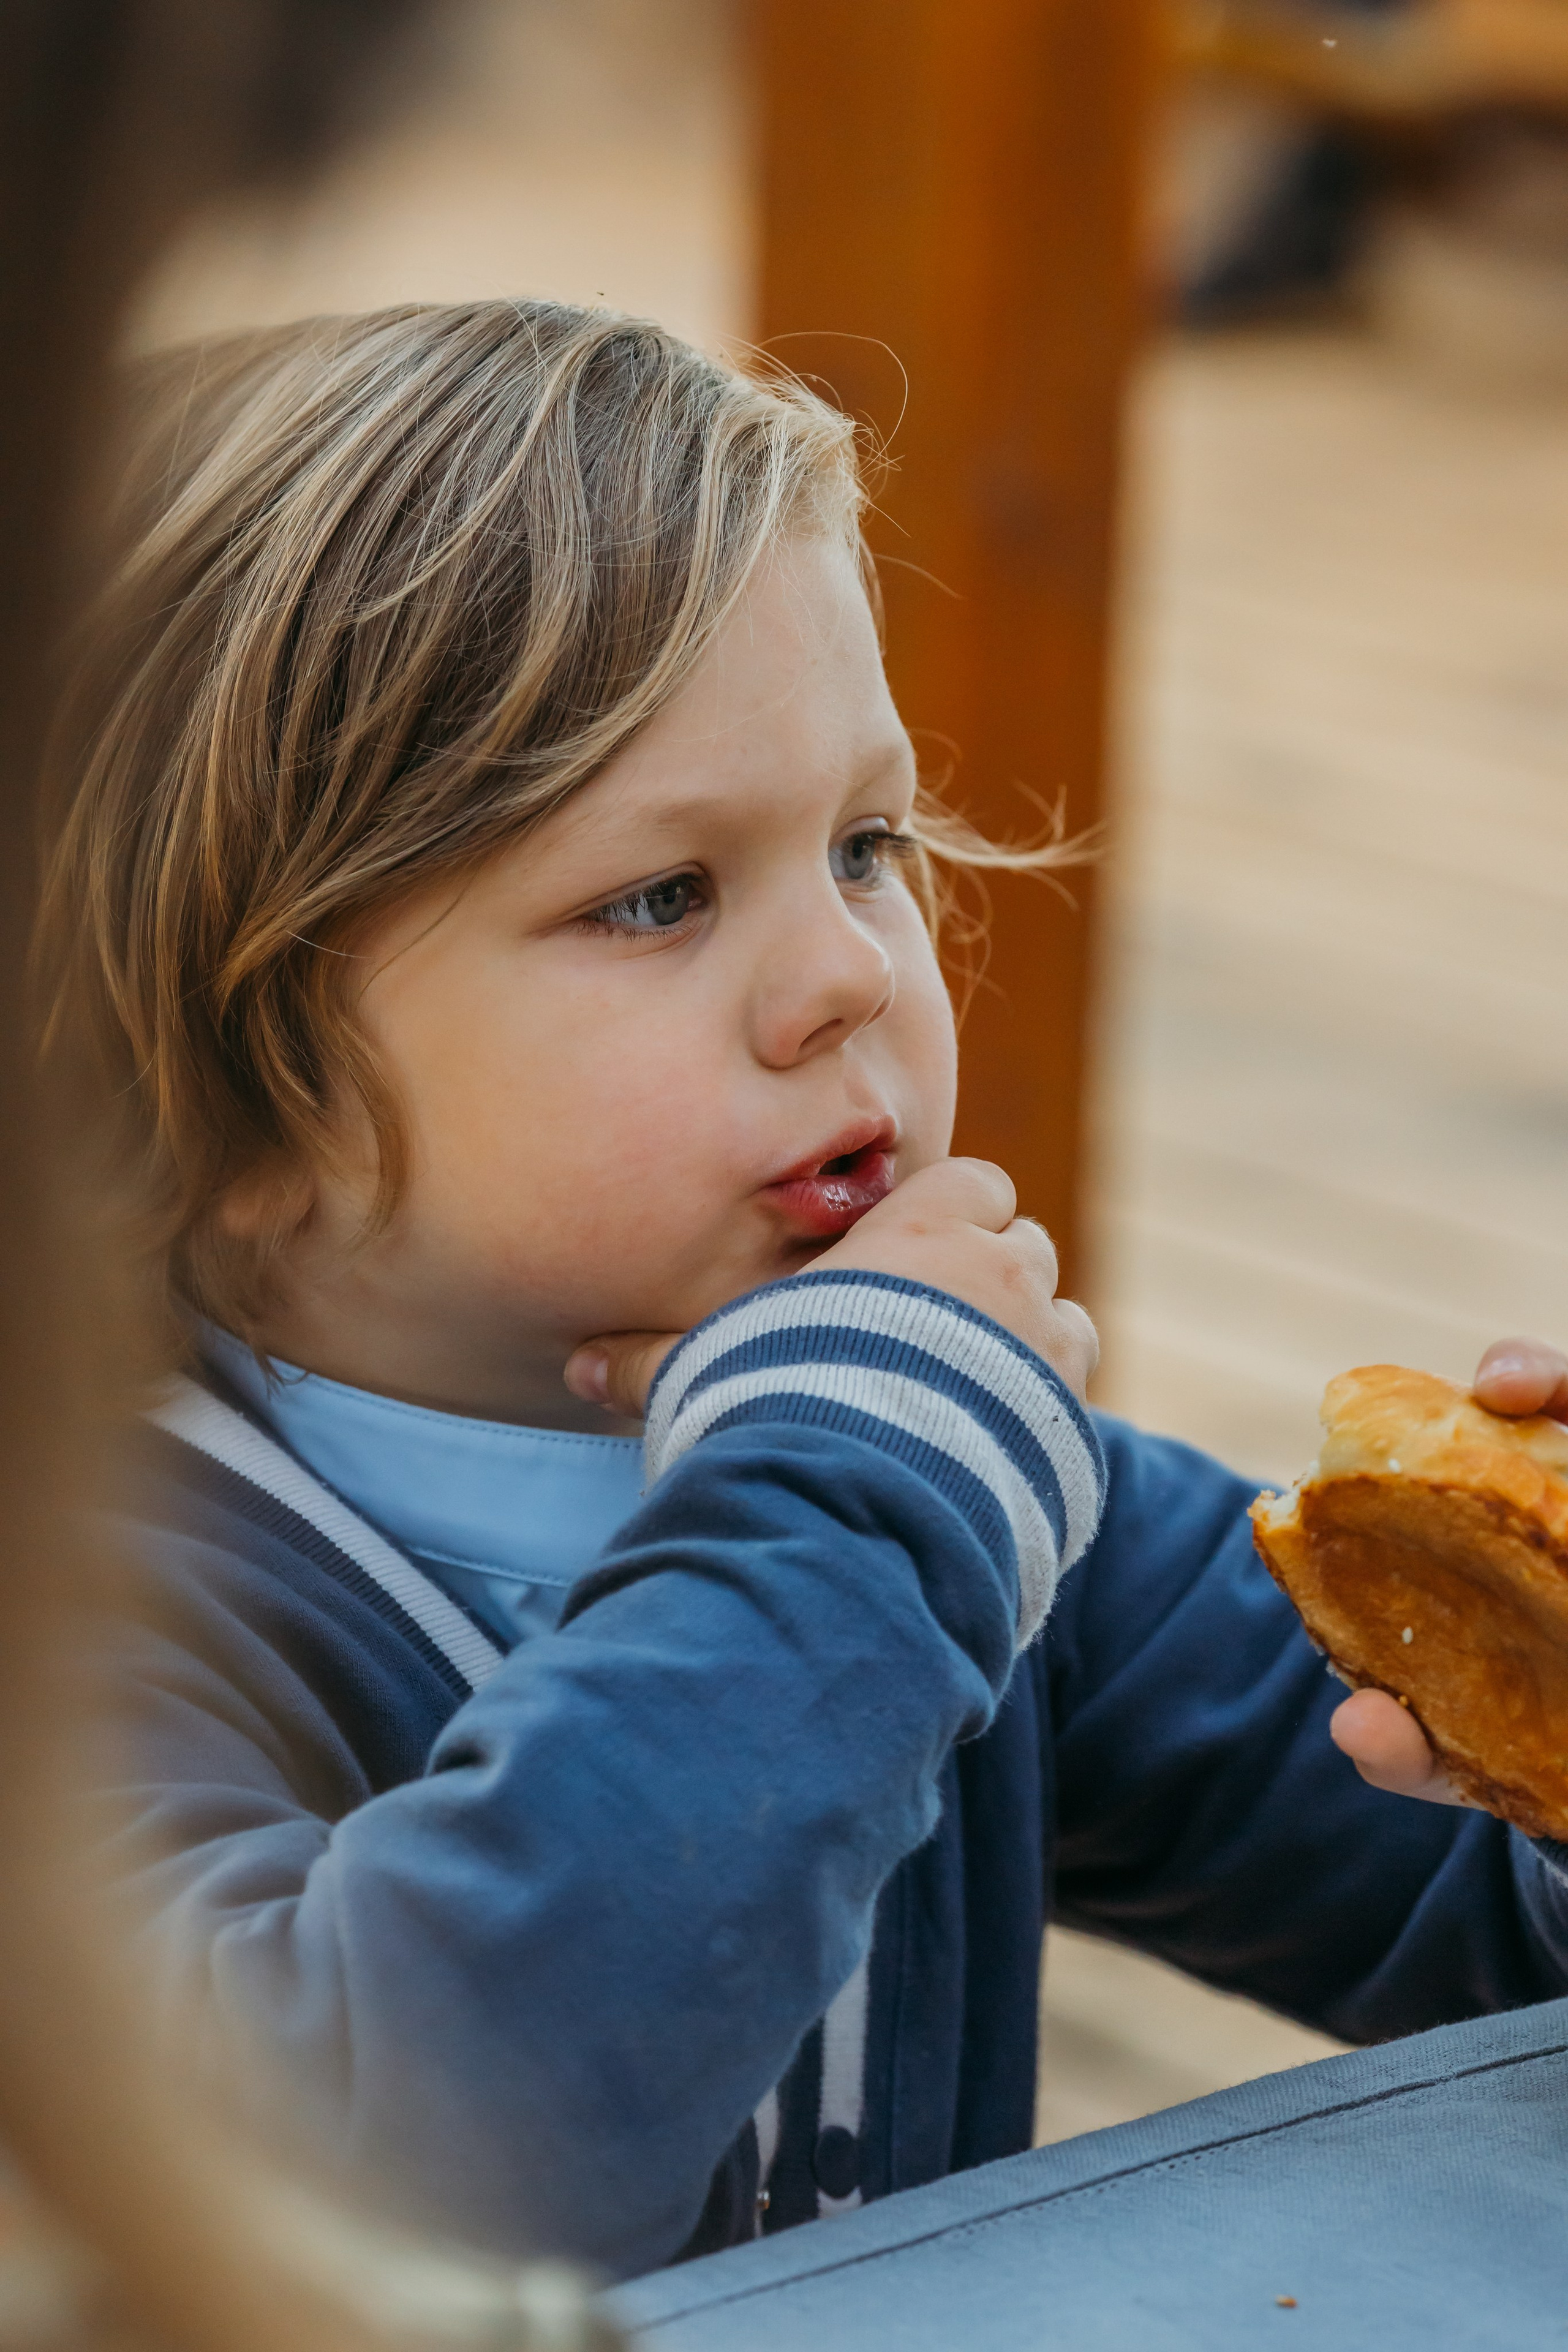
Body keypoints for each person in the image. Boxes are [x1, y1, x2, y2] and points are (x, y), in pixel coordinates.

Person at [40, 300, 1568, 2282]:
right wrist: (866, 1490)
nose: (854, 971)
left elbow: (1468, 1925)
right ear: (207, 1091)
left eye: (867, 843)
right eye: (657, 895)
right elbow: (383, 2176)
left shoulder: (972, 1498)